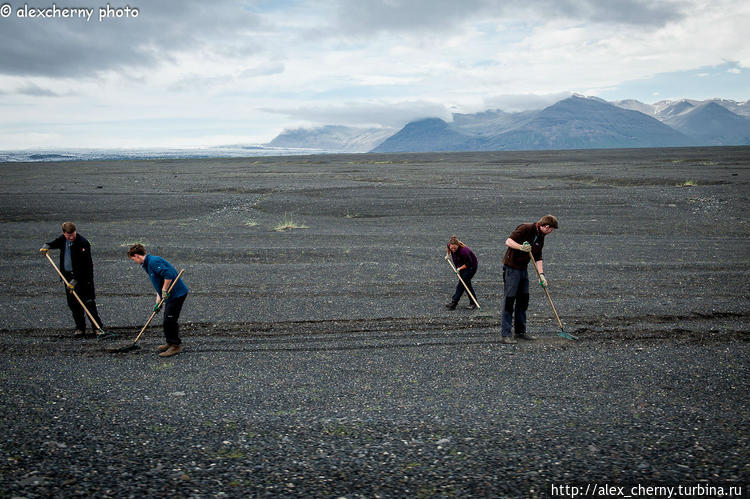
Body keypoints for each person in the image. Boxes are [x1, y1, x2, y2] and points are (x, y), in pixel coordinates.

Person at [40, 222, 106, 337]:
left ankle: (97, 327)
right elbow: (54, 243)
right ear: (64, 233)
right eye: (68, 235)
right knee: (73, 304)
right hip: (68, 277)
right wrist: (47, 246)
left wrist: (76, 280)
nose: (71, 237)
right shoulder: (63, 240)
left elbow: (85, 265)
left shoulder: (83, 243)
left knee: (88, 303)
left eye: (73, 235)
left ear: (75, 231)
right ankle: (80, 328)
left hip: (84, 279)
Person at [500, 215, 558, 344]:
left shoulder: (541, 236)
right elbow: (508, 241)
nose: (551, 232)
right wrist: (521, 247)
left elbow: (538, 256)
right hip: (511, 268)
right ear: (547, 227)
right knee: (509, 300)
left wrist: (541, 275)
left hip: (523, 269)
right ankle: (506, 334)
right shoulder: (526, 228)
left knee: (523, 299)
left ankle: (520, 332)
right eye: (551, 229)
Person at [127, 244, 188, 357]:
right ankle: (170, 342)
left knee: (169, 320)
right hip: (169, 295)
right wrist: (157, 301)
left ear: (136, 255)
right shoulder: (147, 264)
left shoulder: (153, 262)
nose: (134, 261)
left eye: (133, 259)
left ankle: (175, 345)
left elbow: (168, 275)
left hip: (177, 294)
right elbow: (158, 284)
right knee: (167, 319)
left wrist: (165, 290)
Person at [445, 235, 479, 310]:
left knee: (462, 284)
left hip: (471, 267)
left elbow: (469, 263)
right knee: (466, 284)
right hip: (461, 266)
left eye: (455, 248)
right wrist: (448, 255)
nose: (453, 250)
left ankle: (454, 302)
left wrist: (459, 268)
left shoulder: (464, 251)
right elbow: (448, 247)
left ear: (458, 246)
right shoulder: (449, 245)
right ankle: (472, 302)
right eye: (452, 248)